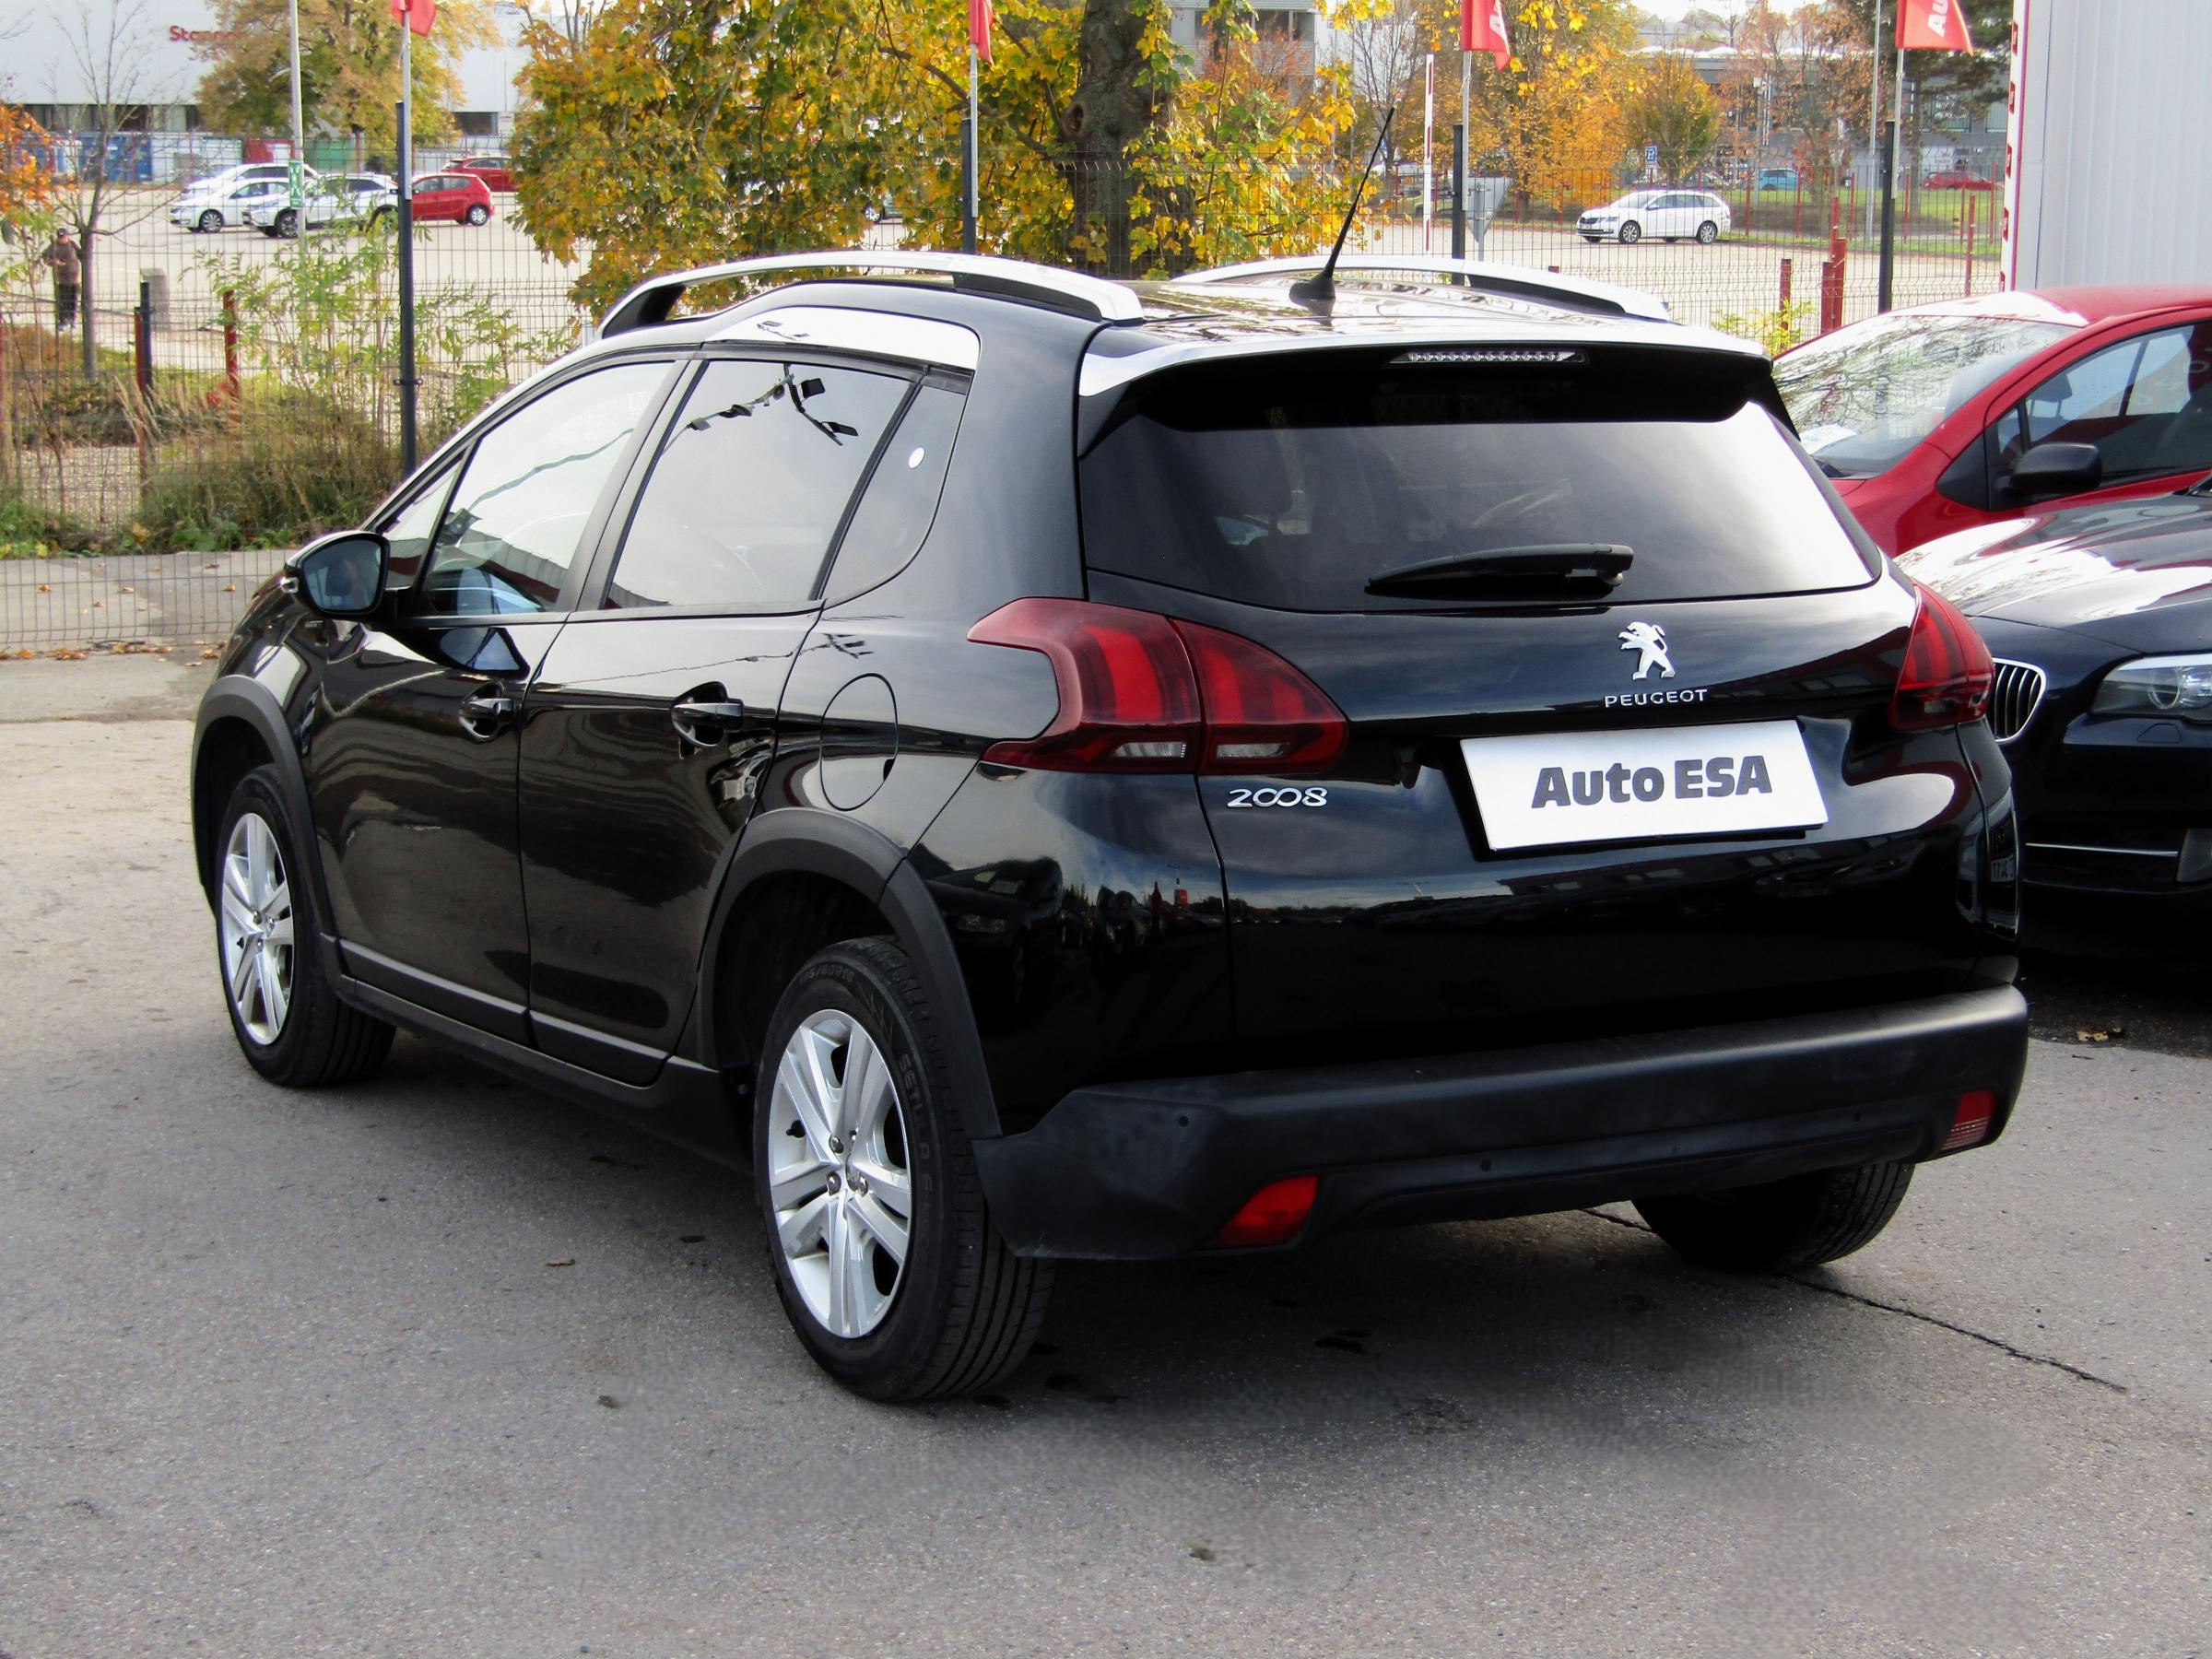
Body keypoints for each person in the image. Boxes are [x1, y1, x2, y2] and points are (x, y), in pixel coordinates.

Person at [42, 231, 80, 330]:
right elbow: (45, 258)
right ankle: (63, 321)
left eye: (64, 237)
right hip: (62, 278)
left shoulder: (72, 245)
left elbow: (81, 255)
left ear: (67, 236)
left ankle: (73, 319)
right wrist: (55, 262)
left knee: (73, 299)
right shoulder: (54, 246)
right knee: (63, 300)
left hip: (74, 278)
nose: (62, 239)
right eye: (60, 237)